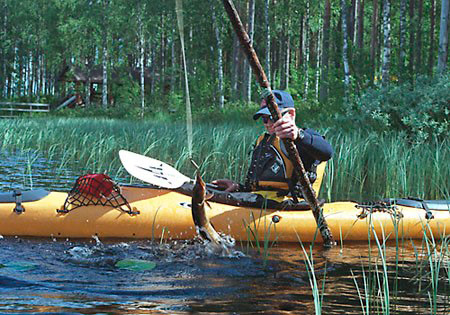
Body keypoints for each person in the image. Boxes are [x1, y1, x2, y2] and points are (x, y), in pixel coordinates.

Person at [212, 90, 333, 201]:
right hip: (261, 201)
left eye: (272, 117)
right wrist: (238, 187)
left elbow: (327, 152)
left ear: (290, 114)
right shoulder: (263, 141)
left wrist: (298, 134)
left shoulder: (303, 139)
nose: (267, 123)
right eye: (264, 119)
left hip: (290, 204)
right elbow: (257, 189)